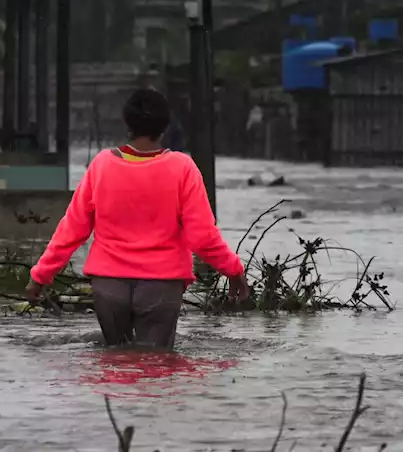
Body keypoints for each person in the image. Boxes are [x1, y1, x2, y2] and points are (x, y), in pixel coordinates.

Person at [26, 88, 250, 348]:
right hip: (162, 285)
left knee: (117, 363)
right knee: (156, 366)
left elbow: (72, 229)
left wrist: (40, 276)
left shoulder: (100, 165)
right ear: (165, 127)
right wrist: (233, 270)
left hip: (109, 287)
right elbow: (202, 237)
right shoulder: (183, 168)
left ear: (128, 124)